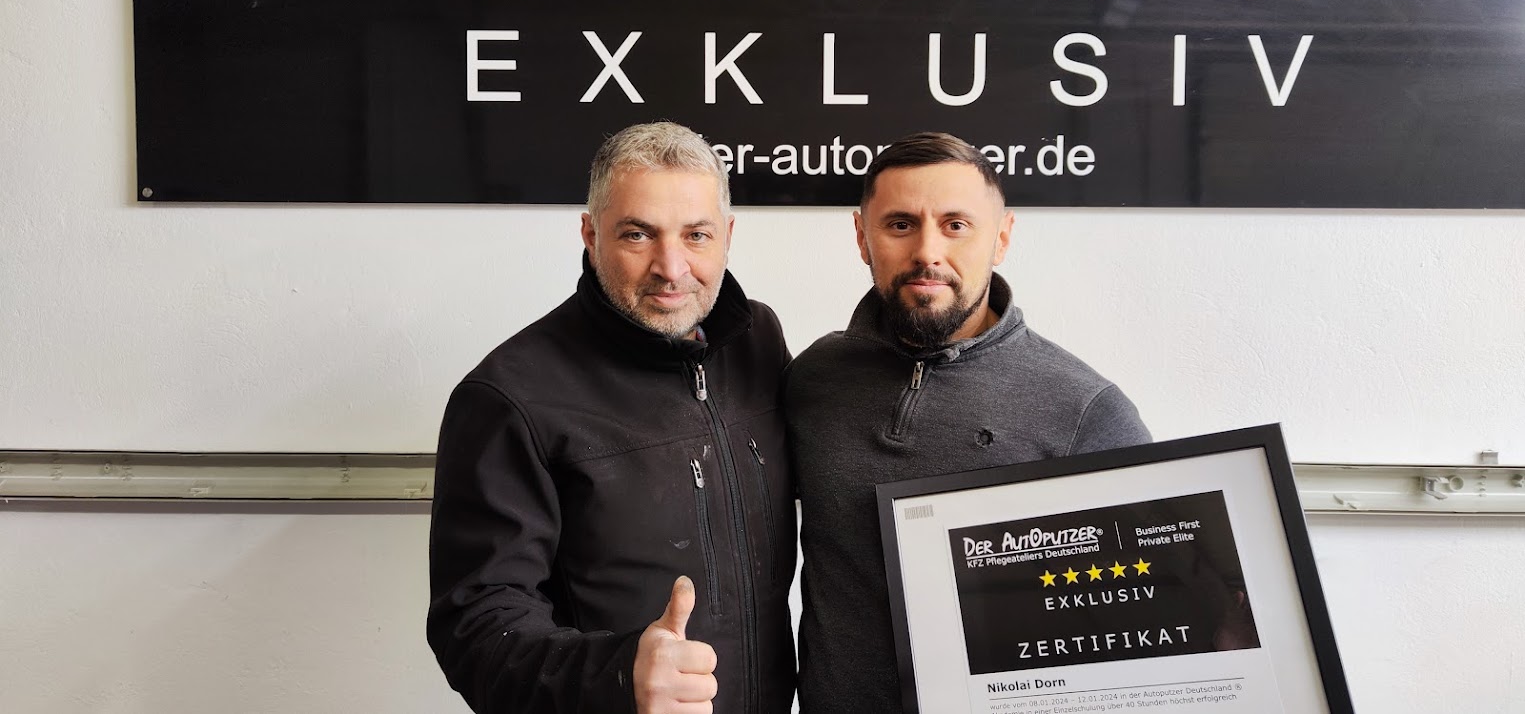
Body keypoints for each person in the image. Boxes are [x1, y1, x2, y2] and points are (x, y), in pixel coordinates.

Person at [428, 121, 796, 714]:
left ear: (727, 235)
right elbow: (475, 626)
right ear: (590, 234)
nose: (671, 267)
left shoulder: (759, 342)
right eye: (637, 234)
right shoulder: (508, 396)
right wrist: (620, 676)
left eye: (696, 235)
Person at [785, 132, 1152, 713]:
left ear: (1001, 237)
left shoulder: (1087, 411)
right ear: (862, 236)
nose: (928, 252)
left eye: (956, 225)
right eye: (900, 224)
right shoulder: (812, 379)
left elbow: (1149, 616)